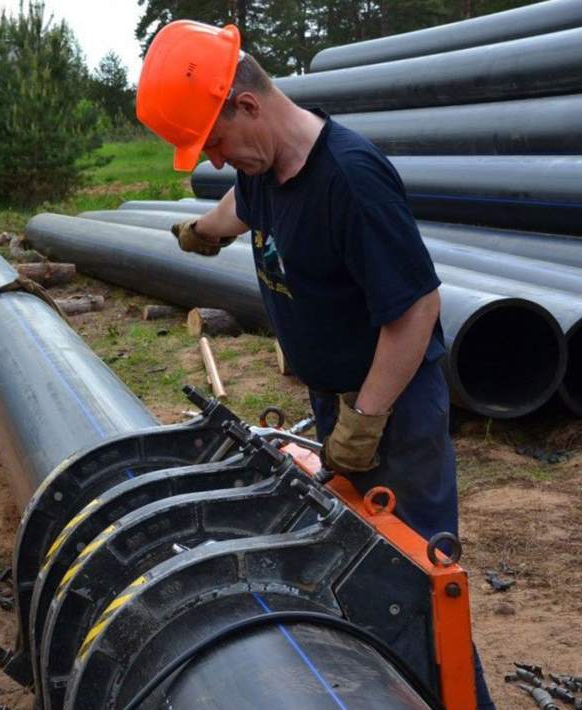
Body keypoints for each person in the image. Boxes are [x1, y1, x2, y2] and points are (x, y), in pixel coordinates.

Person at [135, 21, 493, 708]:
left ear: (245, 104)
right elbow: (245, 202)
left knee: (412, 579)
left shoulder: (349, 181)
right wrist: (206, 232)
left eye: (213, 142)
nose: (214, 159)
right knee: (348, 564)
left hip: (392, 412)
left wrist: (364, 423)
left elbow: (414, 309)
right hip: (339, 401)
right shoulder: (265, 166)